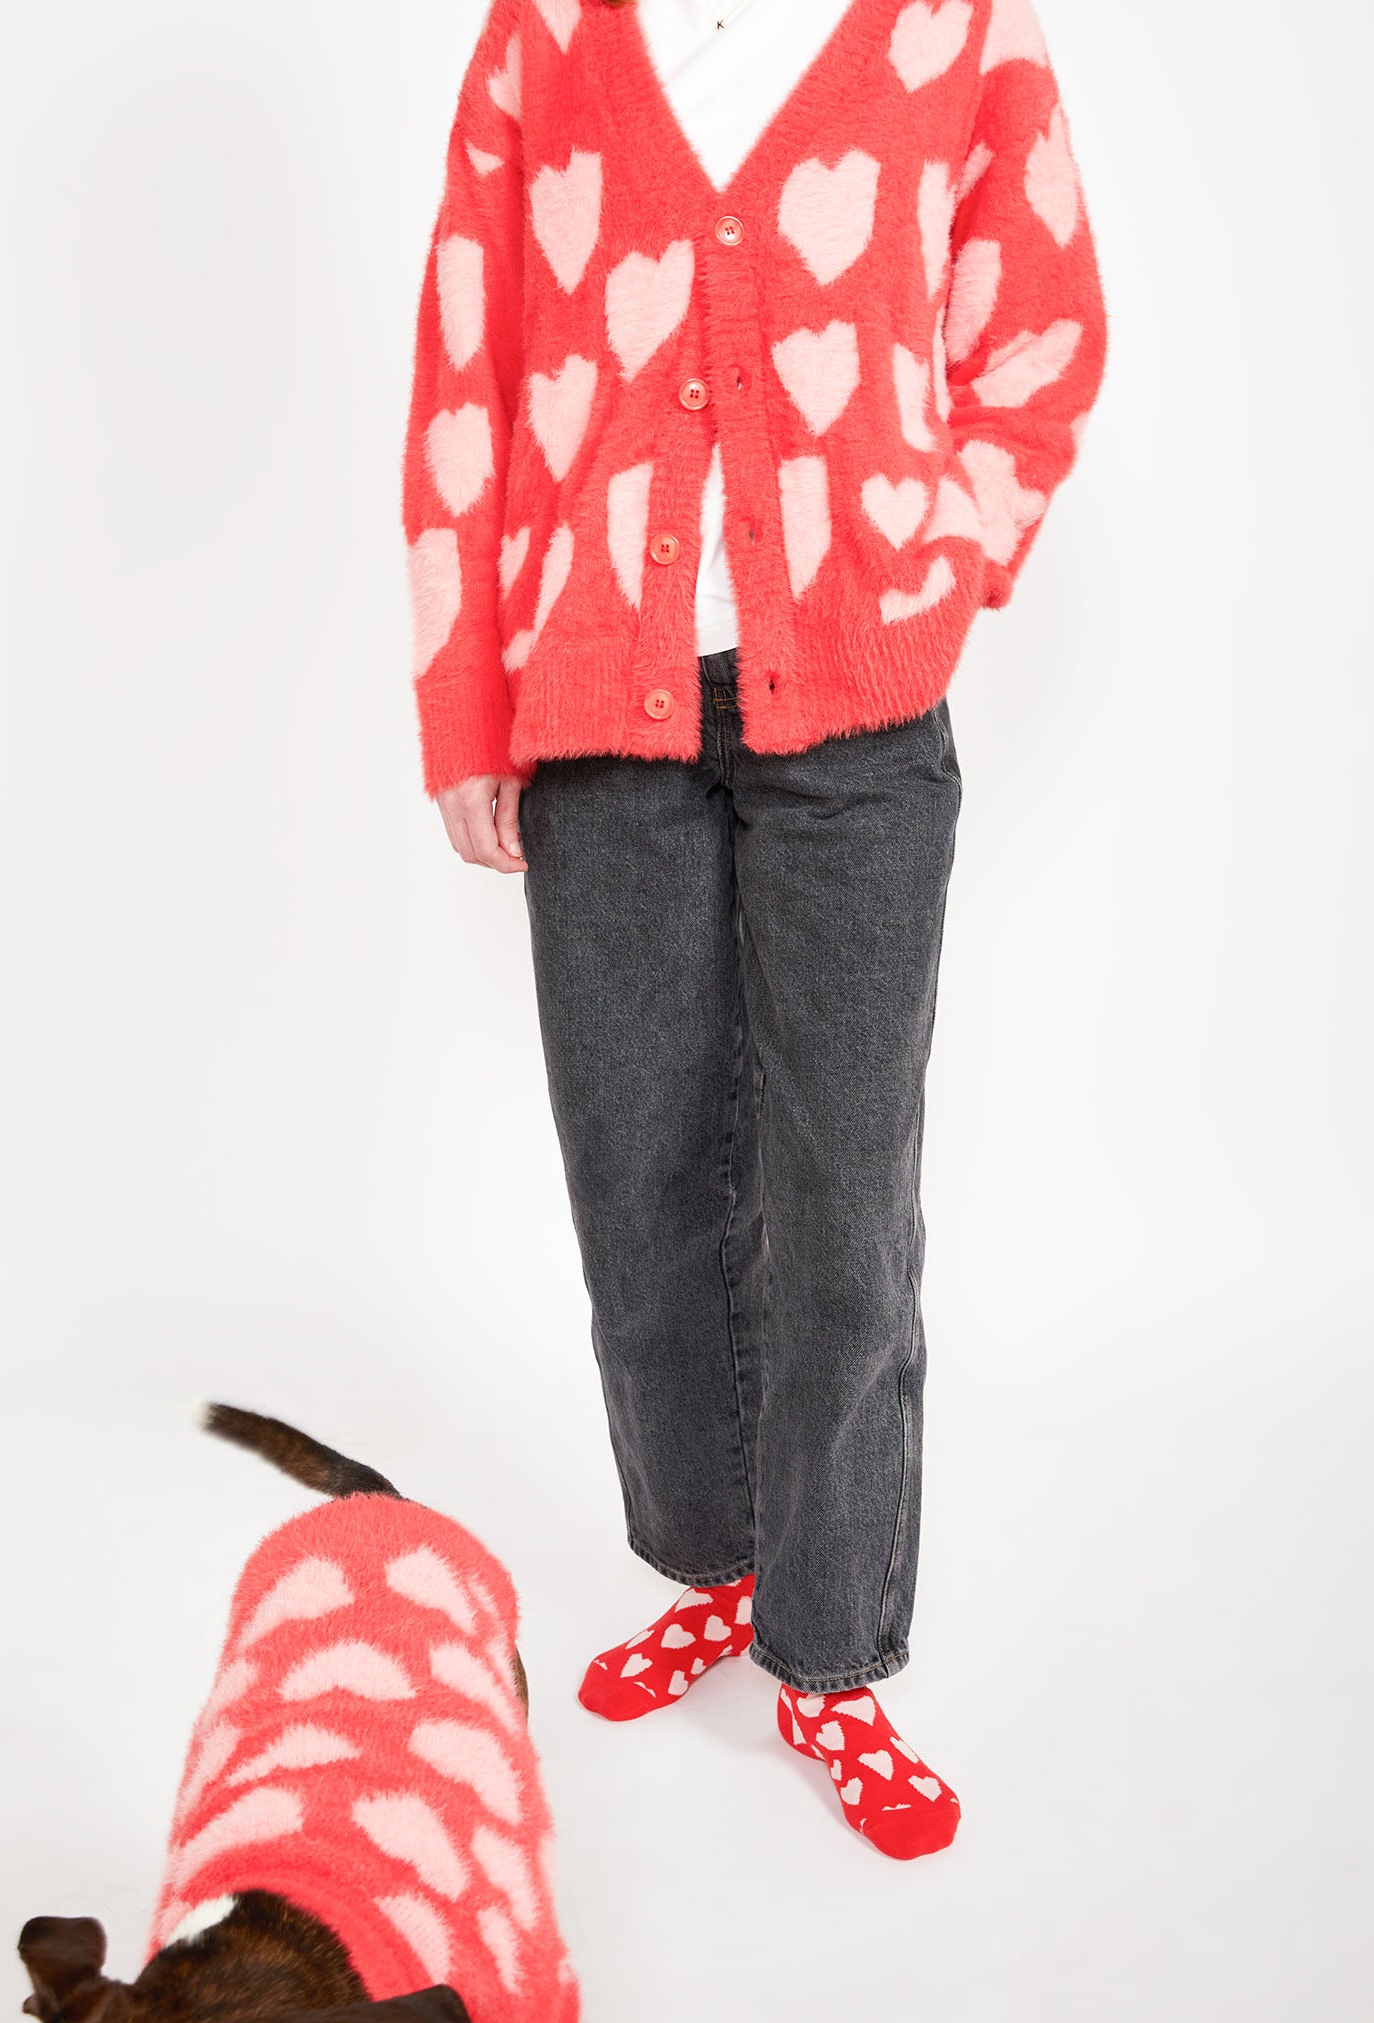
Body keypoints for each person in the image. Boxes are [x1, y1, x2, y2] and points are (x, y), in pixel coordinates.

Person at [402, 0, 1103, 1858]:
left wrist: (929, 567)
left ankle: (831, 1652)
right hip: (595, 706)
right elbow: (465, 362)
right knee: (637, 1172)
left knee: (842, 1196)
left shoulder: (955, 25)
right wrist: (465, 708)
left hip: (858, 726)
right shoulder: (548, 32)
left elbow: (1039, 332)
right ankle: (713, 1559)